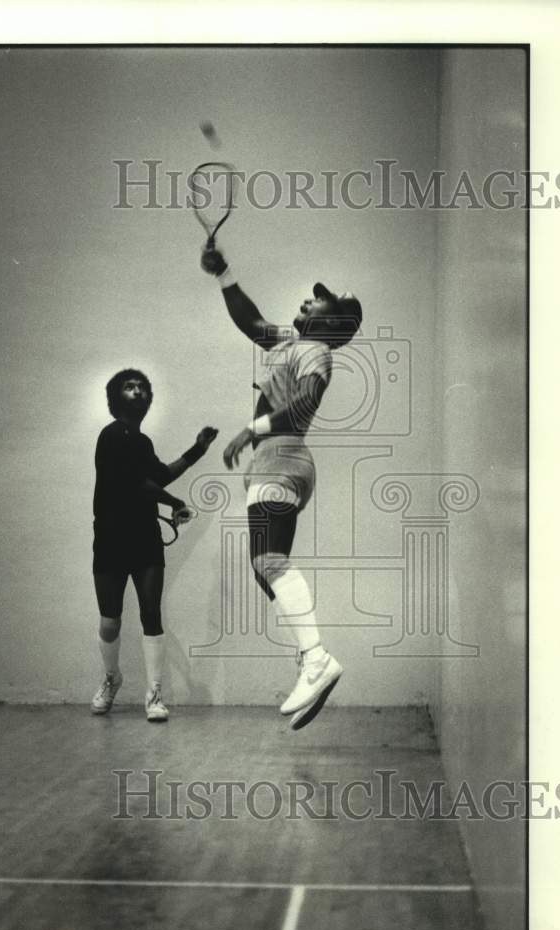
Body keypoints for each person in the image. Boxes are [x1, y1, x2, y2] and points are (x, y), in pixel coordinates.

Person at [200, 245, 362, 730]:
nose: (311, 300)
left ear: (331, 325)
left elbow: (305, 402)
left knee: (268, 562)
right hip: (275, 463)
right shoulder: (294, 340)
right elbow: (251, 324)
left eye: (321, 301)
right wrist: (225, 272)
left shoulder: (317, 353)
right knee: (263, 567)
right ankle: (310, 659)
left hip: (282, 459)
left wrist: (253, 428)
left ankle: (316, 659)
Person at [91, 368, 217, 721]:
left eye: (142, 387)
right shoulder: (111, 436)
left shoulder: (142, 442)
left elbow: (158, 476)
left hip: (145, 538)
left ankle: (154, 694)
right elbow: (134, 484)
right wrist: (175, 502)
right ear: (116, 398)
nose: (137, 392)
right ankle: (111, 678)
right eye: (129, 387)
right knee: (110, 620)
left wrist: (198, 450)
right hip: (111, 539)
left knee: (151, 614)